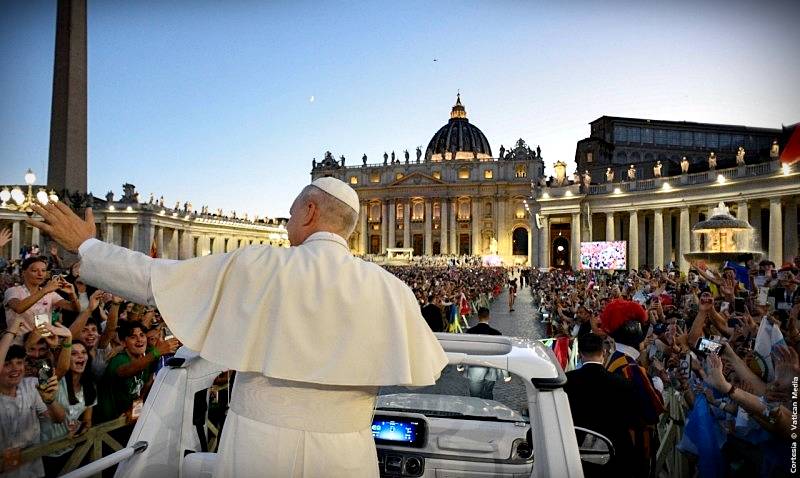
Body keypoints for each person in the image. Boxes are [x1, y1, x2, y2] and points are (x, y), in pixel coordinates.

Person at [29, 177, 447, 477]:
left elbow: (156, 279)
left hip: (258, 448)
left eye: (290, 213)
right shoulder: (392, 290)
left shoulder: (260, 265)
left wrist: (87, 246)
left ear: (309, 211)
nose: (287, 222)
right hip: (347, 456)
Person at [600, 299, 665, 477]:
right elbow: (653, 410)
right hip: (633, 444)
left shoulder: (614, 358)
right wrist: (658, 386)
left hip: (617, 438)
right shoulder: (631, 367)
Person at [564, 333, 638, 477]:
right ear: (603, 352)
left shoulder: (567, 381)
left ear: (580, 354)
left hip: (576, 452)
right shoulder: (622, 383)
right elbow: (631, 421)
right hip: (614, 453)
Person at [0, 345, 64, 478]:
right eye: (7, 364)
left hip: (33, 469)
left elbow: (59, 419)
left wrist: (50, 401)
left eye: (19, 362)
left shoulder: (32, 385)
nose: (15, 368)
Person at [3, 257, 81, 342]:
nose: (40, 274)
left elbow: (74, 308)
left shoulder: (50, 293)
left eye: (43, 271)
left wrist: (72, 294)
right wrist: (45, 290)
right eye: (34, 271)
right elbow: (19, 308)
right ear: (23, 273)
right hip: (18, 344)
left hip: (44, 344)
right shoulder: (13, 291)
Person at [464, 307, 502, 399]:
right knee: (488, 393)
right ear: (489, 317)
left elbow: (465, 350)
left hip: (474, 368)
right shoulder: (497, 334)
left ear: (478, 317)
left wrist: (460, 366)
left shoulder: (469, 332)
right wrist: (505, 373)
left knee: (475, 396)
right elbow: (501, 354)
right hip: (491, 368)